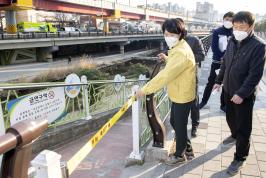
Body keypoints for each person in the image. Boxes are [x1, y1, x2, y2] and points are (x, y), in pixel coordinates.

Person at [135, 18, 196, 165]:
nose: (169, 37)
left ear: (180, 34)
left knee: (179, 125)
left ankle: (179, 155)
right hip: (180, 93)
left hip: (182, 95)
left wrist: (144, 90)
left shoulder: (181, 52)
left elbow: (165, 75)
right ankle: (188, 149)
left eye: (172, 34)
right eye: (166, 34)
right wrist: (167, 58)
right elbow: (176, 65)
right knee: (176, 122)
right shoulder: (179, 48)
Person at [213, 11, 266, 175]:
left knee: (244, 127)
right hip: (228, 89)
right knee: (230, 117)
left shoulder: (259, 46)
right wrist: (218, 81)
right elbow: (225, 63)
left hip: (244, 94)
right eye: (235, 26)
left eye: (241, 27)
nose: (237, 30)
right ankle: (234, 135)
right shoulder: (232, 40)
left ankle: (239, 158)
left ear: (251, 26)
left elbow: (255, 74)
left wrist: (242, 93)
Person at [199, 11, 234, 111]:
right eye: (227, 19)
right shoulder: (217, 31)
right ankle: (204, 101)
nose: (229, 21)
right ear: (223, 19)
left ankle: (223, 105)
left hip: (230, 63)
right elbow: (214, 47)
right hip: (217, 62)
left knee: (226, 84)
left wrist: (228, 59)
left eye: (231, 20)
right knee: (211, 82)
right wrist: (223, 58)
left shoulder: (235, 33)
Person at [176, 18, 205, 137]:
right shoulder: (173, 40)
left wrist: (186, 59)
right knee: (178, 102)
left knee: (194, 102)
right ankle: (179, 126)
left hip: (191, 76)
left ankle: (194, 126)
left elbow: (201, 56)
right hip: (176, 76)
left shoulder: (193, 40)